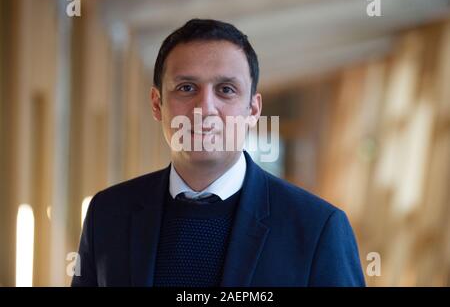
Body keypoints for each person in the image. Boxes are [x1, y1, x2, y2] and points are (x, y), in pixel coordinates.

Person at [72, 18, 366, 287]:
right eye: (187, 88)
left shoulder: (317, 228)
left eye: (225, 89)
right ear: (156, 104)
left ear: (252, 109)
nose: (205, 109)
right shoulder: (108, 214)